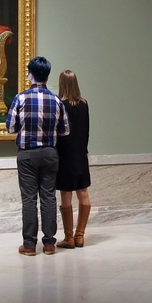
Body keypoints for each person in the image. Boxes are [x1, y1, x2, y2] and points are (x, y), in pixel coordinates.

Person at [6, 56, 68, 256]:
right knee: (49, 197)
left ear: (30, 75)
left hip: (27, 154)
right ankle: (49, 243)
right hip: (50, 153)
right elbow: (65, 130)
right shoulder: (57, 100)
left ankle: (30, 245)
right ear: (47, 76)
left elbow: (10, 127)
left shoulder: (20, 98)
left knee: (29, 199)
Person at [55, 70, 92, 249]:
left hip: (64, 154)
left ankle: (68, 237)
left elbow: (58, 132)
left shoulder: (60, 104)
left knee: (66, 194)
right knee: (83, 192)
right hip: (80, 153)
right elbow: (86, 130)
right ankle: (80, 235)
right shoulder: (84, 104)